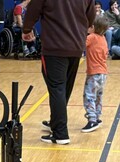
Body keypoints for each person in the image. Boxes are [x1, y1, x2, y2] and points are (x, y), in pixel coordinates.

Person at [23, 0, 95, 144]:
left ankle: (60, 133)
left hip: (54, 47)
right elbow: (91, 16)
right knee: (64, 88)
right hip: (76, 46)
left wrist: (26, 30)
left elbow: (32, 10)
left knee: (57, 88)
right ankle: (56, 122)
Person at [82, 17, 108, 133]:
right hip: (103, 73)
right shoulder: (103, 38)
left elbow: (80, 45)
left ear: (93, 27)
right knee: (98, 96)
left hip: (93, 73)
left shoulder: (92, 37)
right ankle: (97, 117)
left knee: (89, 96)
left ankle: (92, 120)